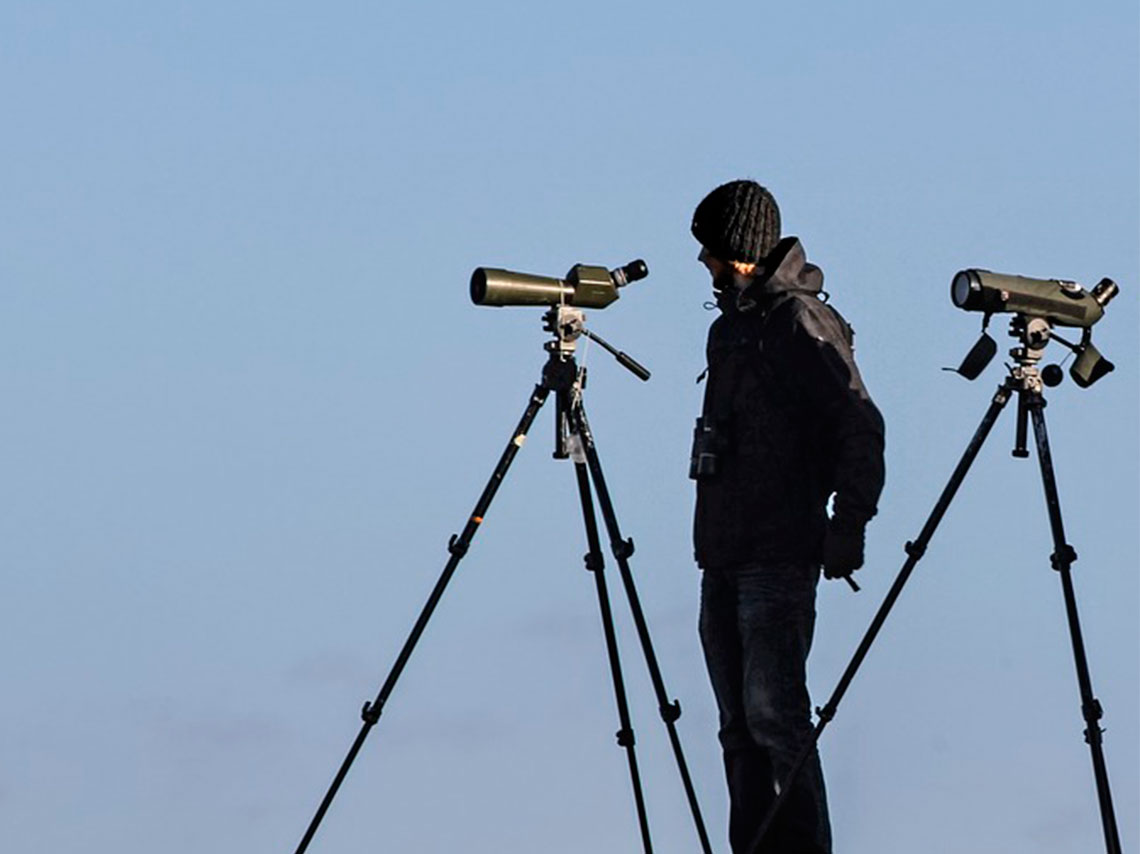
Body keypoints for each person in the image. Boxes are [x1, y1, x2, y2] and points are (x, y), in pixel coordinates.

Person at [688, 180, 886, 854]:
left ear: (738, 252)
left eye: (711, 251)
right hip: (722, 553)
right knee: (737, 723)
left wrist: (848, 524)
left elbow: (859, 426)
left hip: (777, 551)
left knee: (775, 715)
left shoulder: (802, 324)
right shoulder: (730, 330)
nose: (704, 264)